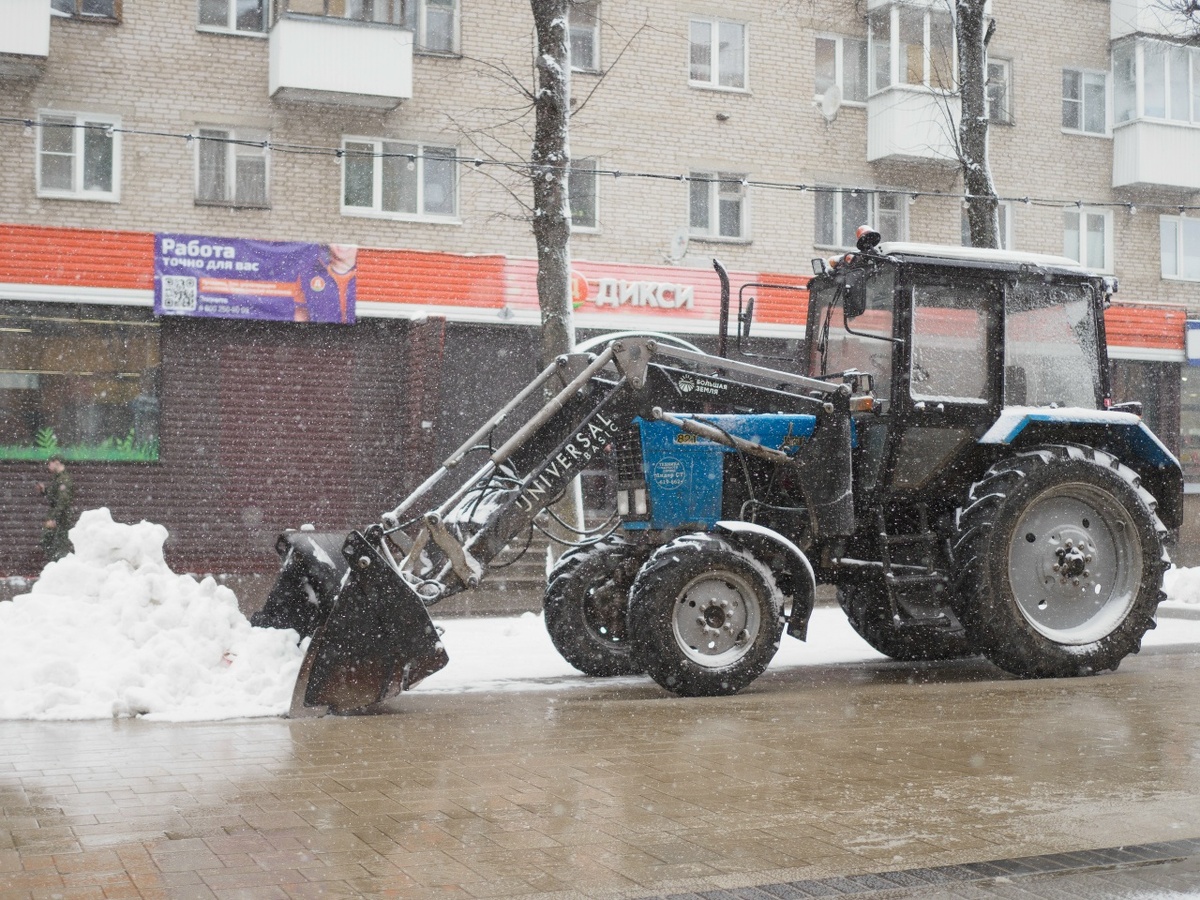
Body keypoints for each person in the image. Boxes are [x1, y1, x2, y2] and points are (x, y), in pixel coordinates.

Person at [37, 455, 75, 562]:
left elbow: (63, 501)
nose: (48, 466)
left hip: (61, 517)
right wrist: (45, 490)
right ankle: (56, 565)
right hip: (58, 515)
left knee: (58, 545)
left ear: (57, 462)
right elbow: (55, 496)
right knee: (50, 542)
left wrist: (54, 518)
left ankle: (59, 567)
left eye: (50, 463)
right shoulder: (58, 478)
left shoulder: (64, 479)